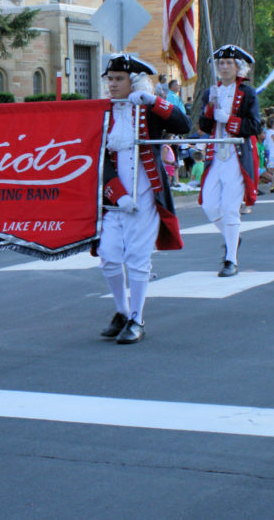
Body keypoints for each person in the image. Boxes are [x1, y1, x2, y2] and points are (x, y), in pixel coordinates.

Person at [95, 55, 191, 344]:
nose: (112, 84)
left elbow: (183, 125)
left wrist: (153, 101)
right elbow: (99, 158)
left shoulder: (147, 108)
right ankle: (122, 312)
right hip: (115, 199)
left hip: (146, 194)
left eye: (118, 79)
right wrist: (117, 193)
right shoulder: (104, 112)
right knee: (108, 257)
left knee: (137, 258)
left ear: (133, 81)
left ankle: (137, 319)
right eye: (109, 79)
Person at [197, 45, 262, 277]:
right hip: (215, 154)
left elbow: (255, 126)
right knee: (209, 204)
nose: (223, 67)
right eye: (221, 63)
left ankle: (230, 260)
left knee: (229, 207)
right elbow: (204, 127)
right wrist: (209, 109)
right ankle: (232, 238)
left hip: (237, 154)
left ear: (237, 67)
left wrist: (230, 120)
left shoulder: (248, 93)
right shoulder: (210, 92)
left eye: (228, 63)